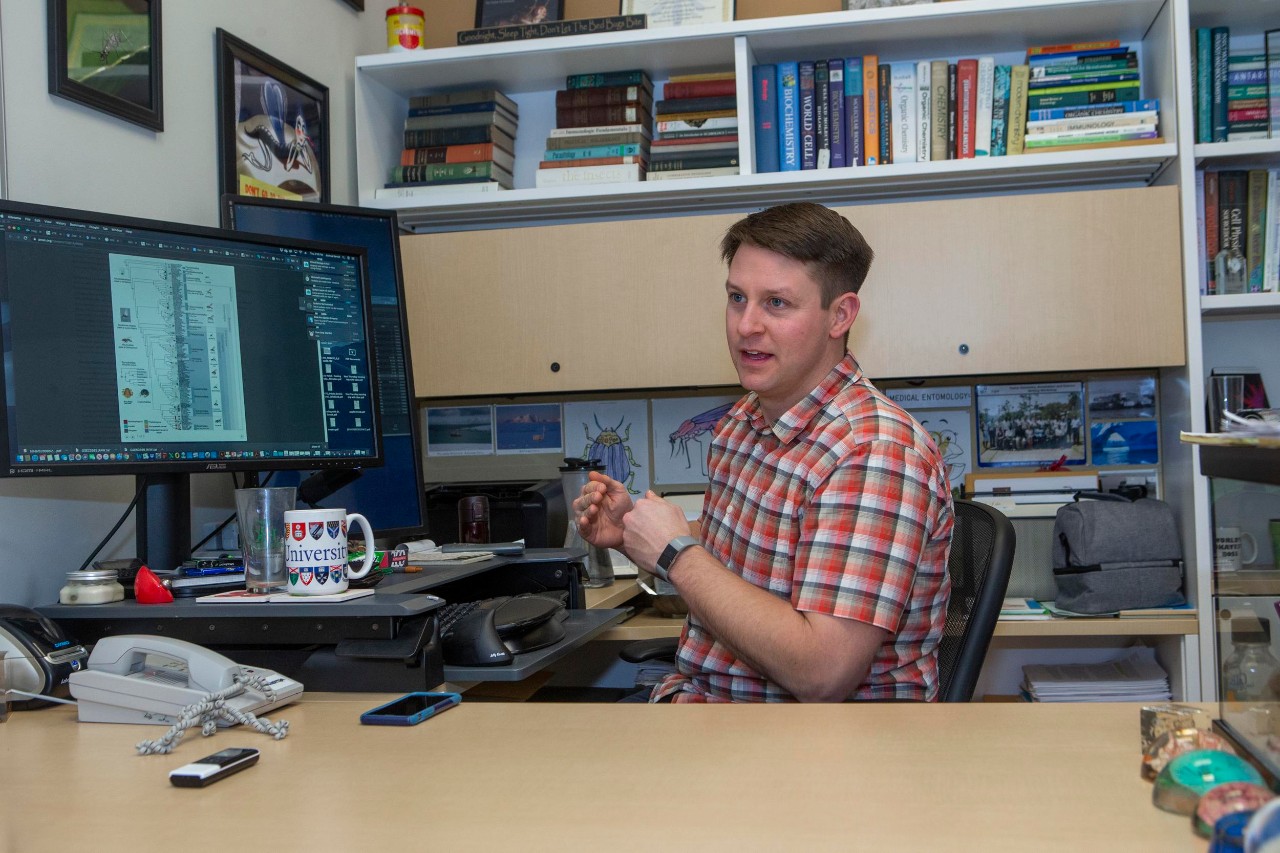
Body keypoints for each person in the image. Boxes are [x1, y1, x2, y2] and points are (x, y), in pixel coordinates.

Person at [574, 202, 953, 703]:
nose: (746, 325)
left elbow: (823, 673)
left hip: (815, 754)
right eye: (737, 298)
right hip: (710, 712)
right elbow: (754, 557)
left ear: (840, 314)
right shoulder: (744, 422)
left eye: (776, 303)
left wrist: (675, 554)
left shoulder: (874, 453)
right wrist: (635, 534)